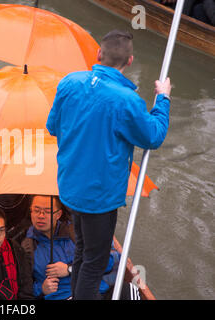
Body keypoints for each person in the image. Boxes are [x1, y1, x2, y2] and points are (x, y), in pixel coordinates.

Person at [46, 30, 171, 300]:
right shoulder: (127, 101)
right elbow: (153, 136)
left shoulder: (69, 82)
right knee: (95, 262)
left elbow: (52, 126)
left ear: (98, 54)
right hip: (98, 197)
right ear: (130, 60)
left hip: (70, 187)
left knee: (84, 252)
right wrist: (163, 98)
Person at [21, 195, 141, 300]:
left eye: (47, 211)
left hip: (97, 291)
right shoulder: (27, 247)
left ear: (58, 214)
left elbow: (108, 262)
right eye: (36, 210)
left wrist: (69, 269)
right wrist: (41, 288)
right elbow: (23, 289)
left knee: (128, 290)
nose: (40, 216)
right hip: (65, 296)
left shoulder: (77, 232)